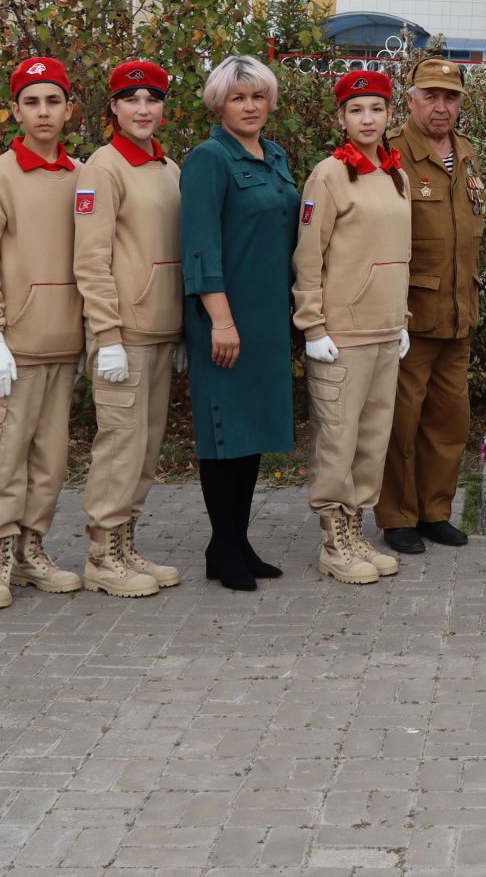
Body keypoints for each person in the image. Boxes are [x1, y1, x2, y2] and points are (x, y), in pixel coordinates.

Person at [0, 56, 88, 610]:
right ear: (15, 110)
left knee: (51, 456)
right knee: (4, 452)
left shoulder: (83, 176)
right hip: (14, 345)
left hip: (65, 340)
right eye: (32, 102)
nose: (43, 112)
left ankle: (31, 548)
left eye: (53, 101)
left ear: (69, 110)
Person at [181, 55, 298, 591]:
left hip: (269, 316)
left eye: (257, 97)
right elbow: (200, 245)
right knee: (224, 432)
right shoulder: (208, 159)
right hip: (224, 317)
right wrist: (221, 320)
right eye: (238, 97)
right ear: (218, 104)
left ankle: (237, 540)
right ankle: (222, 546)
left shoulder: (275, 156)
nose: (249, 106)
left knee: (251, 432)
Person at [294, 69, 413, 585]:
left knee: (372, 439)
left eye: (377, 109)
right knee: (338, 440)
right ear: (341, 118)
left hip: (386, 332)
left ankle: (356, 528)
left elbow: (398, 255)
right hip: (341, 335)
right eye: (357, 110)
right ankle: (333, 540)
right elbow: (308, 256)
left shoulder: (395, 174)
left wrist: (400, 319)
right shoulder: (328, 175)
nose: (368, 119)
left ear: (391, 115)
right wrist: (312, 326)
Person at [75, 59, 185, 598]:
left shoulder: (169, 168)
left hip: (161, 329)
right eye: (131, 100)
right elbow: (91, 262)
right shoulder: (102, 168)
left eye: (153, 100)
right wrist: (107, 335)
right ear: (114, 108)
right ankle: (101, 554)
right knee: (119, 444)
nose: (144, 110)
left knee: (146, 446)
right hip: (125, 333)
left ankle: (125, 542)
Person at [378, 57, 484, 555]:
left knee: (449, 420)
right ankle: (397, 516)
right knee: (401, 420)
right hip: (410, 316)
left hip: (457, 313)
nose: (441, 107)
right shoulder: (391, 154)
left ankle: (434, 511)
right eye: (431, 96)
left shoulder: (464, 153)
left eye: (451, 98)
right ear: (412, 98)